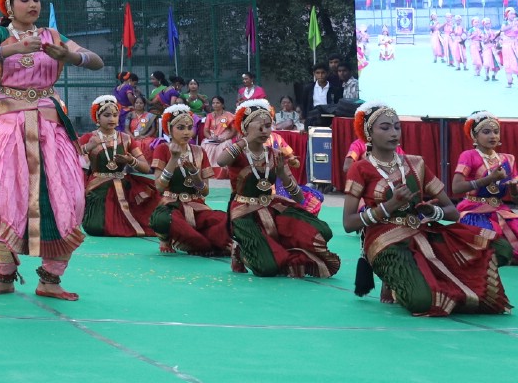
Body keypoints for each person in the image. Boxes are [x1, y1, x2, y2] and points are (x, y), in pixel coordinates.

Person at [0, 0, 105, 300]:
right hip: (7, 126)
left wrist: (68, 56)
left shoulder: (52, 35)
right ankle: (4, 275)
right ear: (9, 5)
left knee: (66, 199)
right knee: (0, 201)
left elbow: (96, 61)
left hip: (50, 126)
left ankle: (50, 280)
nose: (33, 4)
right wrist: (11, 49)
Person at [344, 103, 510, 316]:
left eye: (397, 127)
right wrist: (389, 206)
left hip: (424, 232)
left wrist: (433, 212)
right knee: (422, 302)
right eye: (385, 128)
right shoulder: (360, 168)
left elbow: (453, 211)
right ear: (368, 132)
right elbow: (349, 223)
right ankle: (397, 279)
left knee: (501, 247)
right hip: (385, 239)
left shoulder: (416, 164)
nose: (394, 133)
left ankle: (419, 277)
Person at [217, 99, 338, 278]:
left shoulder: (275, 155)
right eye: (260, 127)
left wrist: (282, 173)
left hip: (272, 207)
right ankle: (241, 251)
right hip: (244, 212)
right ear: (245, 127)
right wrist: (245, 140)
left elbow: (298, 198)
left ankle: (275, 246)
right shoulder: (238, 152)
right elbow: (221, 161)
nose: (265, 131)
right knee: (268, 268)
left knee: (321, 230)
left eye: (268, 126)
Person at [450, 110, 518, 264]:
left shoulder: (508, 159)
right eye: (486, 132)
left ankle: (512, 256)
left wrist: (514, 189)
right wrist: (489, 179)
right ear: (475, 136)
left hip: (500, 210)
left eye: (496, 132)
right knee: (491, 237)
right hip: (473, 210)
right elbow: (456, 188)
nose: (493, 136)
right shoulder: (469, 155)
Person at [148, 104, 229, 256]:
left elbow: (204, 192)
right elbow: (159, 187)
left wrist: (194, 173)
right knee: (163, 220)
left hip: (197, 206)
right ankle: (186, 241)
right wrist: (174, 159)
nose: (186, 132)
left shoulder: (199, 151)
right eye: (180, 127)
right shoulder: (163, 149)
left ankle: (204, 242)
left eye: (189, 127)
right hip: (171, 206)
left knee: (225, 220)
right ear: (169, 129)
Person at [78, 95, 158, 238]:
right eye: (107, 115)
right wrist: (88, 147)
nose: (112, 119)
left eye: (115, 115)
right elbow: (70, 160)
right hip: (98, 187)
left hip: (125, 185)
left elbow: (146, 168)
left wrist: (131, 160)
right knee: (95, 227)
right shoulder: (89, 137)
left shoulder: (126, 138)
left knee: (153, 213)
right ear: (97, 117)